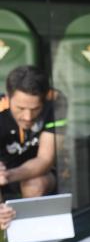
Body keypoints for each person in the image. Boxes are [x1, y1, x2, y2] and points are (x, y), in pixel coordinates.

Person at [0, 65, 65, 230]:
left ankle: (29, 234)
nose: (28, 117)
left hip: (38, 170)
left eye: (35, 109)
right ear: (8, 97)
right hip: (3, 167)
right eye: (20, 108)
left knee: (33, 184)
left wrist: (9, 175)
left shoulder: (56, 101)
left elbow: (45, 159)